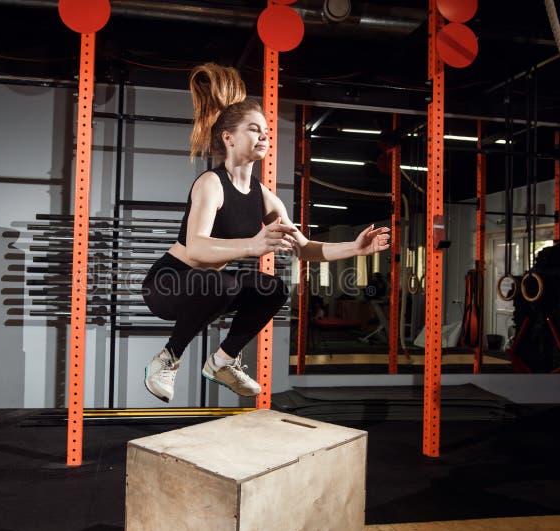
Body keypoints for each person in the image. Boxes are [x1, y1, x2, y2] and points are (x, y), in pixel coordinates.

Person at [141, 63, 391, 402]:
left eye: (267, 132)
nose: (264, 136)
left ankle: (223, 362)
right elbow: (197, 248)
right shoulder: (211, 184)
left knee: (272, 287)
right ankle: (167, 359)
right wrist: (253, 244)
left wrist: (355, 248)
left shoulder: (264, 196)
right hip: (168, 283)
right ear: (228, 137)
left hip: (212, 289)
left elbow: (305, 249)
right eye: (254, 129)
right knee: (222, 281)